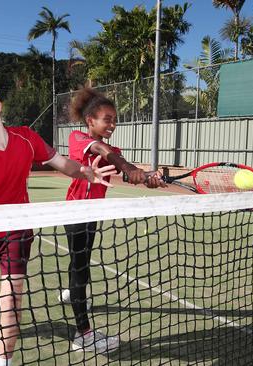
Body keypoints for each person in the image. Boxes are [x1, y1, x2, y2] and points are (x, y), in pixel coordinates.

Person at [0, 80, 116, 366]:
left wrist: (84, 172)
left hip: (18, 230)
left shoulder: (26, 138)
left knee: (13, 303)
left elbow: (63, 163)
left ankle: (4, 362)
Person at [60, 87, 163, 354]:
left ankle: (73, 295)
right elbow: (104, 152)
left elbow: (125, 170)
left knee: (78, 262)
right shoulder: (78, 137)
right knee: (81, 268)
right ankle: (82, 334)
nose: (112, 124)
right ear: (90, 121)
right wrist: (128, 167)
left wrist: (149, 177)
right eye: (107, 119)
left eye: (114, 120)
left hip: (93, 213)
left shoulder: (114, 149)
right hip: (76, 212)